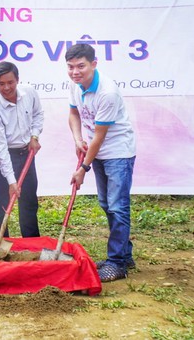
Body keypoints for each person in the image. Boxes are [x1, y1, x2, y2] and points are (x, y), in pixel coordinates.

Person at [65, 44, 136, 282]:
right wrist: (77, 140)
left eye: (81, 66)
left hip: (117, 152)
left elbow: (100, 136)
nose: (75, 71)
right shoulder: (77, 86)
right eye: (71, 67)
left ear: (94, 64)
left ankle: (117, 263)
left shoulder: (107, 92)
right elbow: (73, 114)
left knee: (117, 206)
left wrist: (83, 168)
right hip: (98, 152)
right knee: (107, 204)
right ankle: (124, 255)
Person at [0, 61, 44, 238]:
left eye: (10, 82)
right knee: (0, 204)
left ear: (17, 80)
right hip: (3, 156)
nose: (6, 87)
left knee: (29, 201)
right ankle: (0, 243)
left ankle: (32, 243)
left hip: (26, 153)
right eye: (1, 84)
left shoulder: (29, 93)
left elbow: (38, 114)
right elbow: (0, 149)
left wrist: (34, 136)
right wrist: (11, 181)